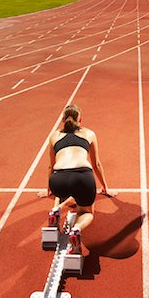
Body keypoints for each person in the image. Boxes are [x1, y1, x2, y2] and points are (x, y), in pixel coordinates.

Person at [46, 104, 115, 254]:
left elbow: (51, 166)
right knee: (87, 212)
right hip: (82, 177)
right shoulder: (89, 134)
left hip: (58, 180)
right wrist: (105, 187)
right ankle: (76, 230)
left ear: (63, 120)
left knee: (63, 187)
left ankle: (55, 210)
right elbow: (96, 164)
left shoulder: (54, 136)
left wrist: (48, 190)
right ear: (80, 120)